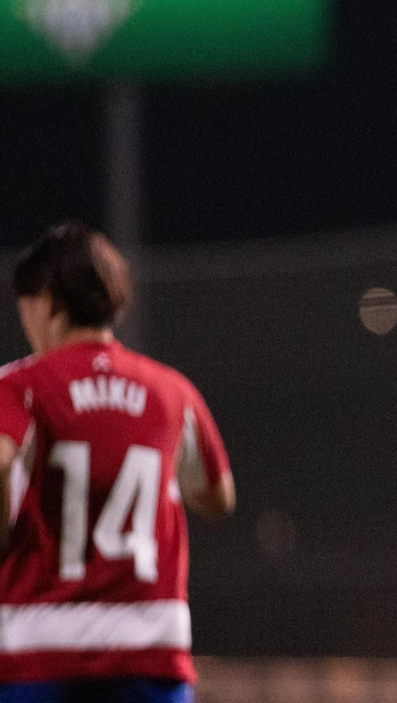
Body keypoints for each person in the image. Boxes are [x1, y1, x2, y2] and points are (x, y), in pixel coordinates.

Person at [0, 222, 234, 702]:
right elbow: (218, 498)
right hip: (151, 650)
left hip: (40, 650)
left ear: (45, 300)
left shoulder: (20, 386)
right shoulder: (172, 392)